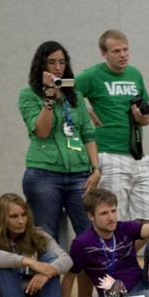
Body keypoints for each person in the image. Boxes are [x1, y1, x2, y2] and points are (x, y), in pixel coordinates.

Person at [76, 30, 149, 224]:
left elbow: (147, 119)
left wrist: (142, 117)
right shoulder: (92, 75)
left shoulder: (134, 74)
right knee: (114, 220)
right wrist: (87, 110)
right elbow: (66, 91)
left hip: (137, 154)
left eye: (125, 50)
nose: (123, 55)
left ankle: (122, 254)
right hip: (109, 153)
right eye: (116, 51)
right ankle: (113, 254)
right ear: (103, 53)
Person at [19, 41, 100, 241]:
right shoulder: (28, 95)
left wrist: (96, 169)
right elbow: (42, 132)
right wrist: (49, 98)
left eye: (62, 62)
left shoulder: (76, 95)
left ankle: (92, 273)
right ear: (41, 65)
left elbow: (88, 134)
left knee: (90, 233)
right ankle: (49, 273)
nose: (57, 68)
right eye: (52, 62)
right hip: (44, 174)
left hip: (79, 173)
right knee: (46, 234)